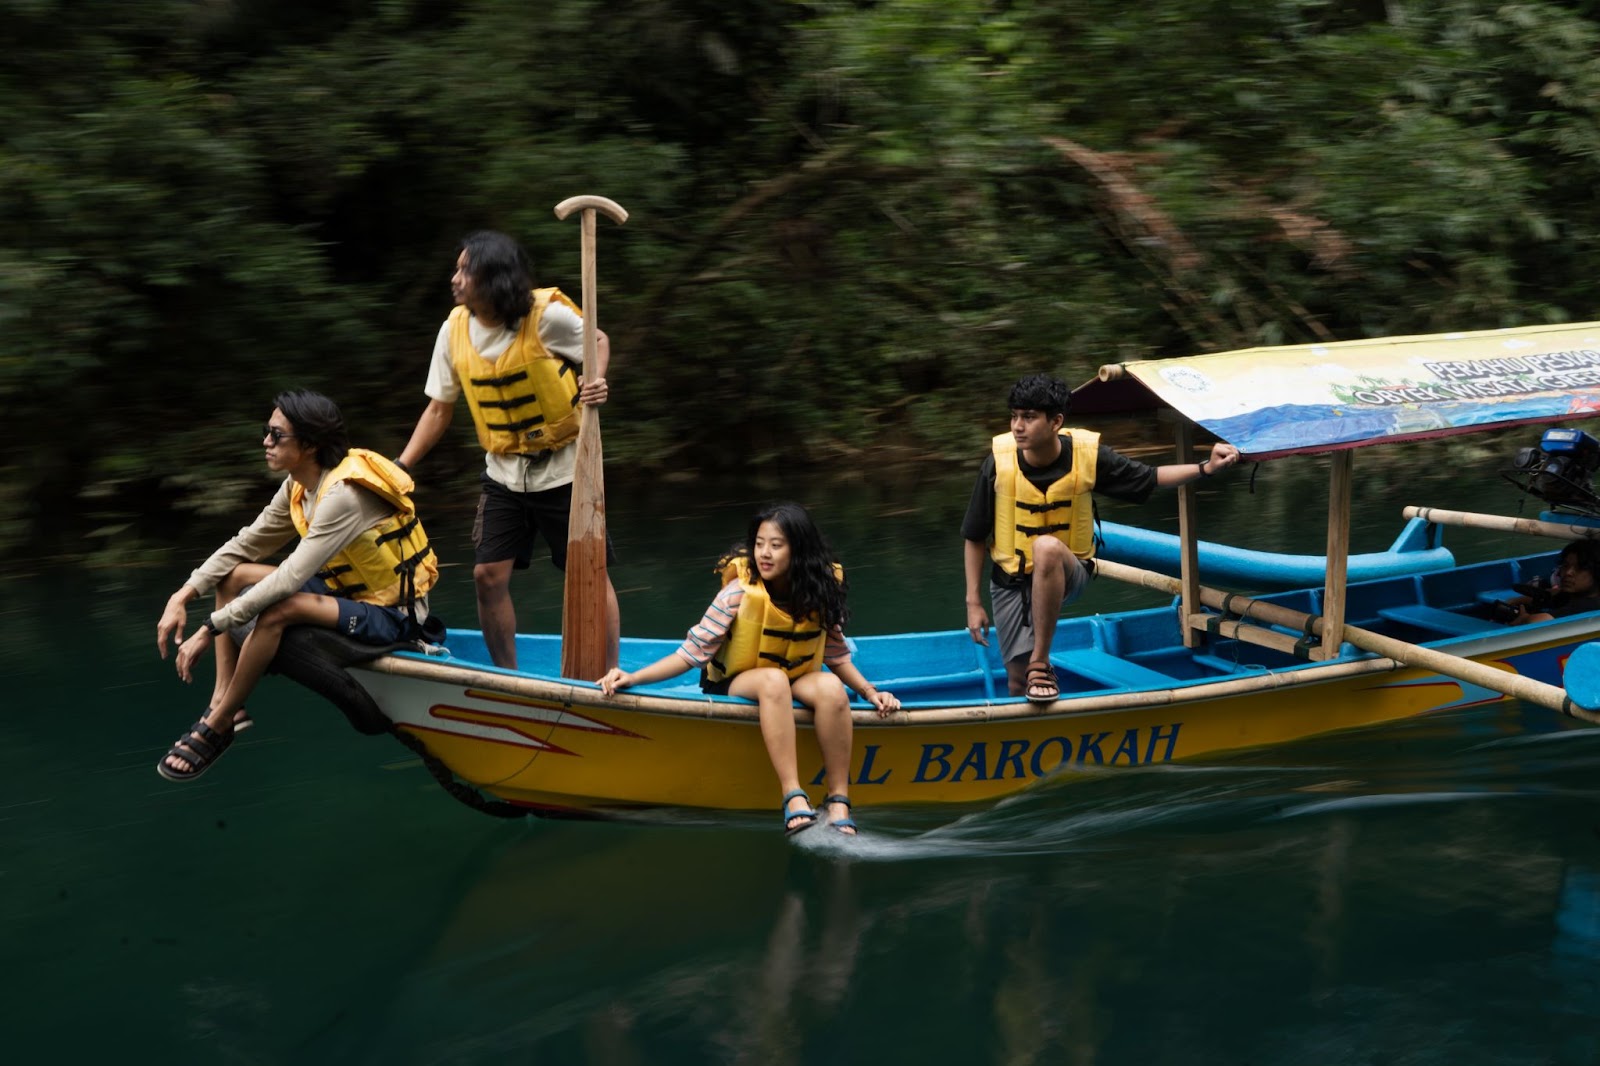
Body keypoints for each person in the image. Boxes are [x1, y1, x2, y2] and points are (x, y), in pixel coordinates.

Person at [154, 390, 438, 781]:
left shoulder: (344, 495)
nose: (265, 442)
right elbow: (246, 543)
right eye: (266, 431)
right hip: (345, 592)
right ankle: (223, 701)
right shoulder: (299, 486)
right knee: (232, 576)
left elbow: (289, 578)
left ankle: (217, 725)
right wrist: (183, 594)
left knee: (279, 610)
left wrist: (210, 627)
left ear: (310, 445)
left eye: (276, 435)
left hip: (393, 614)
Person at [597, 502, 900, 835]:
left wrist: (870, 693)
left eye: (776, 545)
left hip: (795, 678)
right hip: (736, 682)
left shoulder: (820, 590)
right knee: (773, 680)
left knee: (830, 688)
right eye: (759, 544)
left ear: (799, 551)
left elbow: (837, 656)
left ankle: (839, 799)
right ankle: (793, 795)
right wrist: (633, 677)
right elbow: (691, 654)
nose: (764, 554)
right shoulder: (738, 593)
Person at [396, 229, 616, 670]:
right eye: (456, 269)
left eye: (465, 271)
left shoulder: (545, 318)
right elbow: (438, 409)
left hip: (566, 470)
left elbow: (596, 341)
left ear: (493, 278)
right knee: (487, 576)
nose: (455, 278)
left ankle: (612, 673)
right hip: (504, 475)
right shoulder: (453, 330)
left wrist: (595, 379)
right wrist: (400, 467)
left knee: (589, 575)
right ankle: (507, 677)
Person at [962, 373, 1241, 703]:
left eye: (1029, 417)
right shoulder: (998, 464)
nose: (1018, 427)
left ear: (1056, 422)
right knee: (1015, 683)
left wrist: (1206, 468)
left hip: (1068, 569)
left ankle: (1041, 662)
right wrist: (973, 602)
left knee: (1046, 547)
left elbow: (1150, 477)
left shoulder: (1087, 456)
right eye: (1014, 416)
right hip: (1011, 579)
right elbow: (974, 536)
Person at [1506, 539, 1600, 623]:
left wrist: (1524, 618)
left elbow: (1537, 621)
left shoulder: (1589, 605)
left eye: (1580, 568)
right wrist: (1514, 601)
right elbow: (1552, 595)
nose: (1568, 572)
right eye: (1565, 565)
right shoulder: (1574, 594)